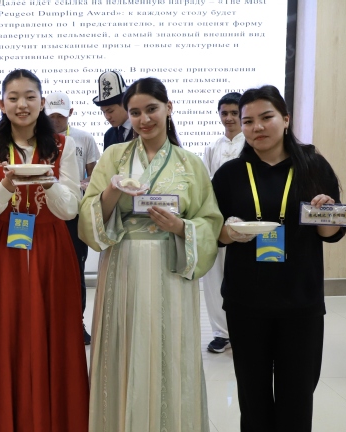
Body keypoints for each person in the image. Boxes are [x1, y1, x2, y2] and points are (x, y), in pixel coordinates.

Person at [79, 77, 223, 432]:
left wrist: (181, 227)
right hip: (123, 265)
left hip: (170, 266)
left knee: (168, 349)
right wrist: (112, 192)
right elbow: (88, 213)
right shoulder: (114, 156)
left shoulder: (190, 163)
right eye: (135, 112)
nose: (144, 119)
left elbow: (209, 220)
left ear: (168, 108)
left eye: (152, 109)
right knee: (123, 347)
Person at [0, 69, 89, 432]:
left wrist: (49, 182)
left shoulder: (62, 146)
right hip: (2, 247)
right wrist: (6, 184)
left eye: (30, 97)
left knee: (54, 333)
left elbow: (70, 209)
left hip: (51, 246)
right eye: (13, 98)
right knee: (3, 334)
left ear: (42, 102)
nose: (22, 104)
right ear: (1, 104)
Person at [212, 85, 346, 432]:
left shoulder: (314, 167)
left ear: (285, 119)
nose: (257, 127)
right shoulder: (229, 174)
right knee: (253, 399)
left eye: (266, 117)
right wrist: (230, 232)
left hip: (300, 302)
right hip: (246, 302)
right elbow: (214, 235)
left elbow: (331, 233)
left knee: (297, 399)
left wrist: (326, 212)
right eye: (248, 121)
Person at [45, 90, 100, 345]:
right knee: (45, 269)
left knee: (75, 270)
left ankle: (77, 323)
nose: (56, 121)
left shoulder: (83, 138)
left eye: (60, 116)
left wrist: (83, 184)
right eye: (51, 116)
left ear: (70, 113)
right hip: (44, 214)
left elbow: (95, 176)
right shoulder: (37, 140)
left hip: (73, 214)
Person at [201, 92, 245, 353]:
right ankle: (221, 332)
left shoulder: (250, 145)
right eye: (224, 113)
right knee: (214, 275)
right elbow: (205, 184)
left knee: (242, 275)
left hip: (246, 222)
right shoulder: (212, 148)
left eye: (234, 113)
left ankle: (243, 329)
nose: (229, 118)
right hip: (217, 221)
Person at [92, 71, 133, 151]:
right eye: (103, 112)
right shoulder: (109, 135)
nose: (107, 117)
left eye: (110, 111)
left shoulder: (142, 129)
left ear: (125, 104)